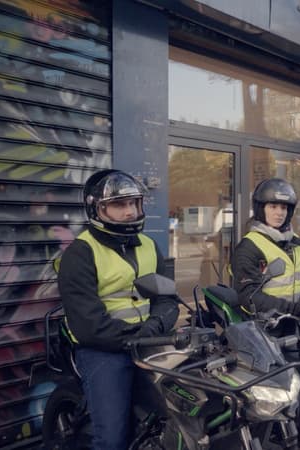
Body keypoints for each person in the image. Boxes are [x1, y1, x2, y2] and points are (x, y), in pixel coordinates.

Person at [57, 169, 179, 450]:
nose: (129, 212)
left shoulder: (149, 245)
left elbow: (167, 298)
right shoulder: (80, 253)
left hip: (150, 341)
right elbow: (88, 323)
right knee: (112, 438)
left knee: (184, 409)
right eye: (119, 205)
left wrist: (155, 326)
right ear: (97, 210)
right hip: (103, 349)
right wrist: (132, 339)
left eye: (133, 203)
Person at [231, 178, 300, 315]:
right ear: (261, 209)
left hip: (295, 321)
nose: (279, 213)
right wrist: (291, 308)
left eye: (284, 207)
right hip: (263, 324)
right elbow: (248, 296)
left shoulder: (295, 243)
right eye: (273, 206)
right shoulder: (249, 247)